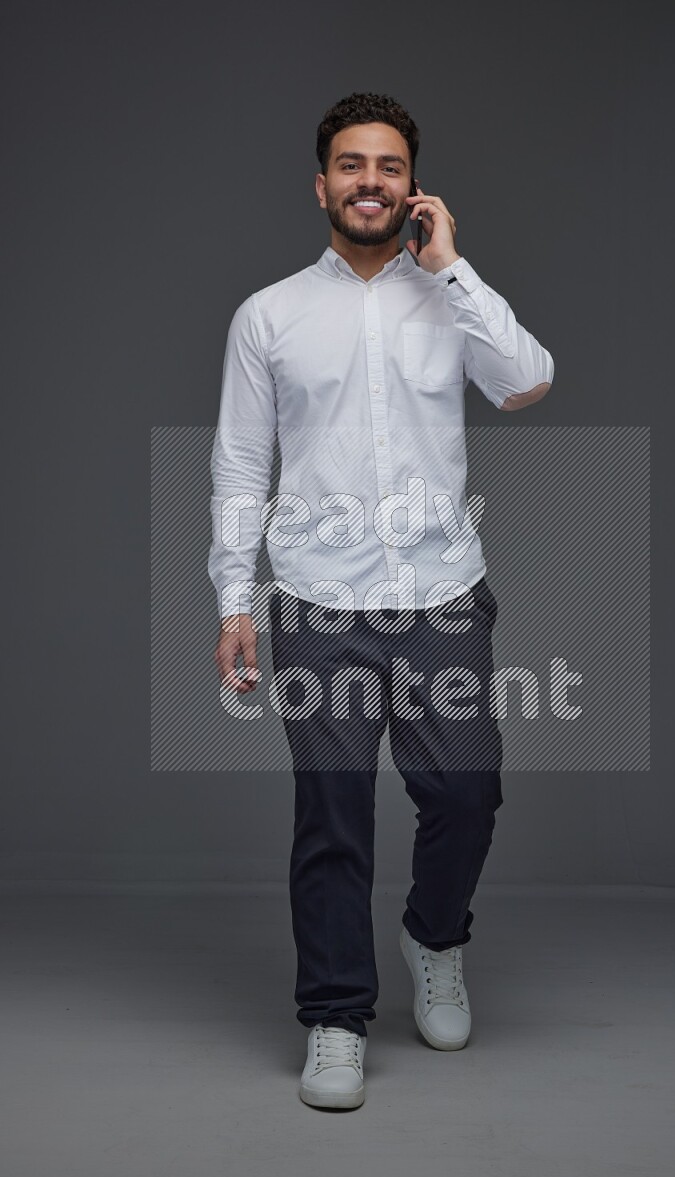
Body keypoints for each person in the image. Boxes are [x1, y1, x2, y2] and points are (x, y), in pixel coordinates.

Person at [207, 92, 554, 1109]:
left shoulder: (450, 297)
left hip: (440, 593)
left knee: (464, 792)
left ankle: (433, 938)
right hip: (317, 604)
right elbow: (239, 463)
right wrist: (236, 598)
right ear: (320, 185)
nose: (370, 181)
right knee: (333, 814)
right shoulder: (268, 315)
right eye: (351, 164)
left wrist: (450, 267)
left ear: (413, 185)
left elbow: (526, 381)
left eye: (389, 166)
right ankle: (334, 1015)